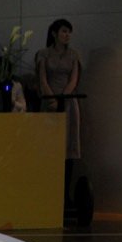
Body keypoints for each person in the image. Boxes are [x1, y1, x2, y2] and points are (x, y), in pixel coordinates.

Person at [36, 18, 82, 203]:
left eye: (69, 32)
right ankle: (47, 191)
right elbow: (42, 79)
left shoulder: (73, 54)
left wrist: (63, 98)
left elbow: (74, 79)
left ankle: (65, 194)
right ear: (54, 34)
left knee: (67, 149)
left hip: (69, 103)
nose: (67, 35)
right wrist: (52, 99)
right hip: (49, 101)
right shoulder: (43, 53)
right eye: (63, 31)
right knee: (49, 146)